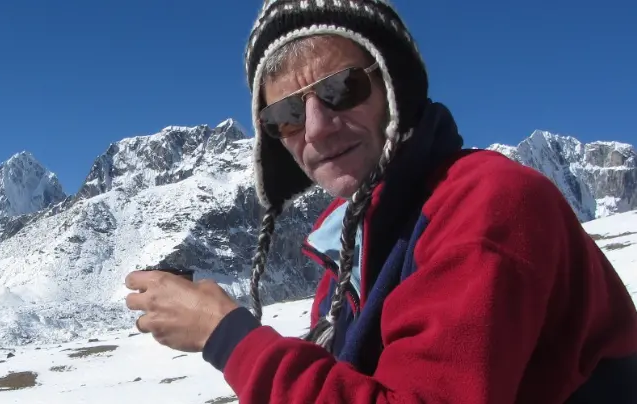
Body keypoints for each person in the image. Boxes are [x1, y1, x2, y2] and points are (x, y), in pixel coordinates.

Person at [124, 0, 637, 402]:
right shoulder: (351, 242)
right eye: (286, 115)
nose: (318, 130)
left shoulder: (487, 205)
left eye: (341, 88)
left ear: (395, 84)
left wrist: (228, 336)